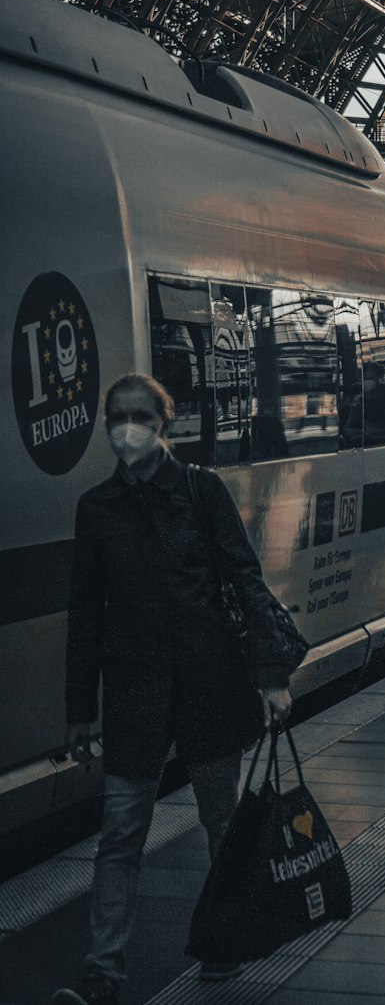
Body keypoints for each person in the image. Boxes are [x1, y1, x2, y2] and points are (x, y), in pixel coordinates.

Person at [53, 375, 294, 1005]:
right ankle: (103, 968)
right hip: (133, 692)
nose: (126, 428)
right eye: (117, 417)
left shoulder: (201, 490)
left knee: (221, 819)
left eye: (139, 416)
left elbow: (245, 577)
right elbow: (85, 613)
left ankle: (222, 939)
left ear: (166, 423)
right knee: (121, 832)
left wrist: (270, 676)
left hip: (207, 683)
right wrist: (79, 710)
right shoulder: (96, 508)